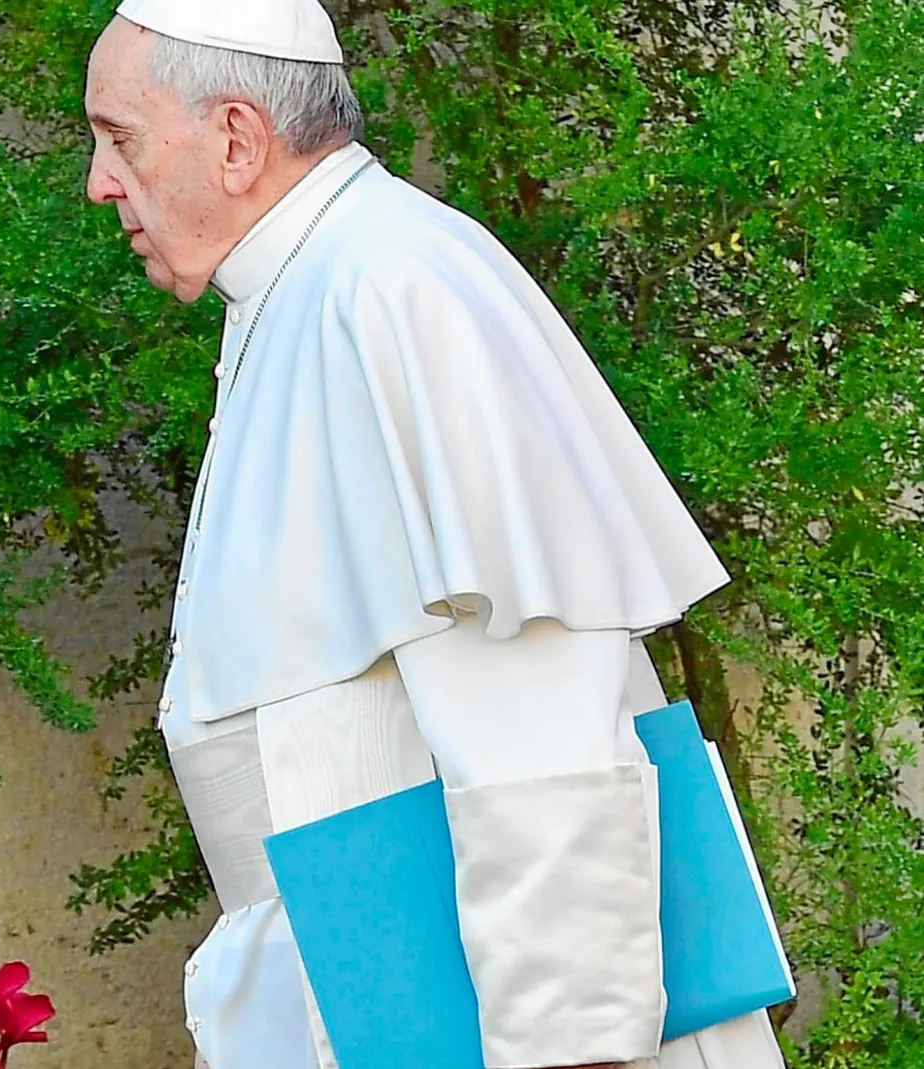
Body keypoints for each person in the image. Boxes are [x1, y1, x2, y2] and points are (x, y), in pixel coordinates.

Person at [81, 2, 787, 1067]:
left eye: (119, 138)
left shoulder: (393, 286)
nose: (98, 181)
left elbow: (538, 723)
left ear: (234, 138)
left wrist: (570, 1048)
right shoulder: (311, 284)